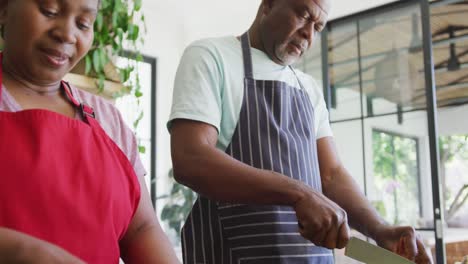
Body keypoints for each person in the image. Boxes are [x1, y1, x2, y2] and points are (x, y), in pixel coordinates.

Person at [168, 0, 433, 263]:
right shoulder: (212, 56)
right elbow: (190, 159)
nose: (309, 34)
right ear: (269, 4)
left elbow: (331, 175)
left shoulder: (309, 89)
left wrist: (379, 229)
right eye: (304, 15)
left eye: (318, 27)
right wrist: (299, 194)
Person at [0, 0, 179, 263]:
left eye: (83, 23)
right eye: (49, 11)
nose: (67, 34)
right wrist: (23, 252)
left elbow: (142, 228)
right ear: (4, 8)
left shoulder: (108, 119)